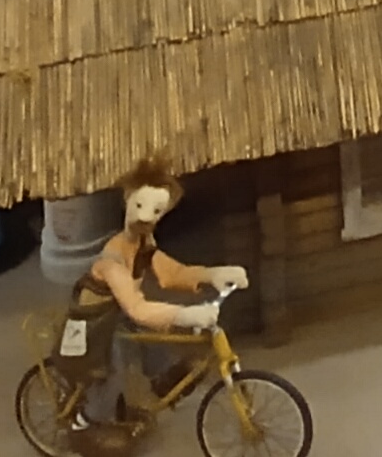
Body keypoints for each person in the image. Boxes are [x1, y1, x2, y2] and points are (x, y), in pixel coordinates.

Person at [63, 179, 248, 430]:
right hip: (95, 321)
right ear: (128, 200)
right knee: (111, 373)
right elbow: (136, 309)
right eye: (140, 206)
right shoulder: (112, 260)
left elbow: (170, 272)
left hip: (116, 308)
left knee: (154, 332)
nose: (146, 217)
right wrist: (185, 315)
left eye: (157, 211)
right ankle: (86, 420)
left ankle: (162, 378)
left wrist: (212, 274)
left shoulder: (143, 243)